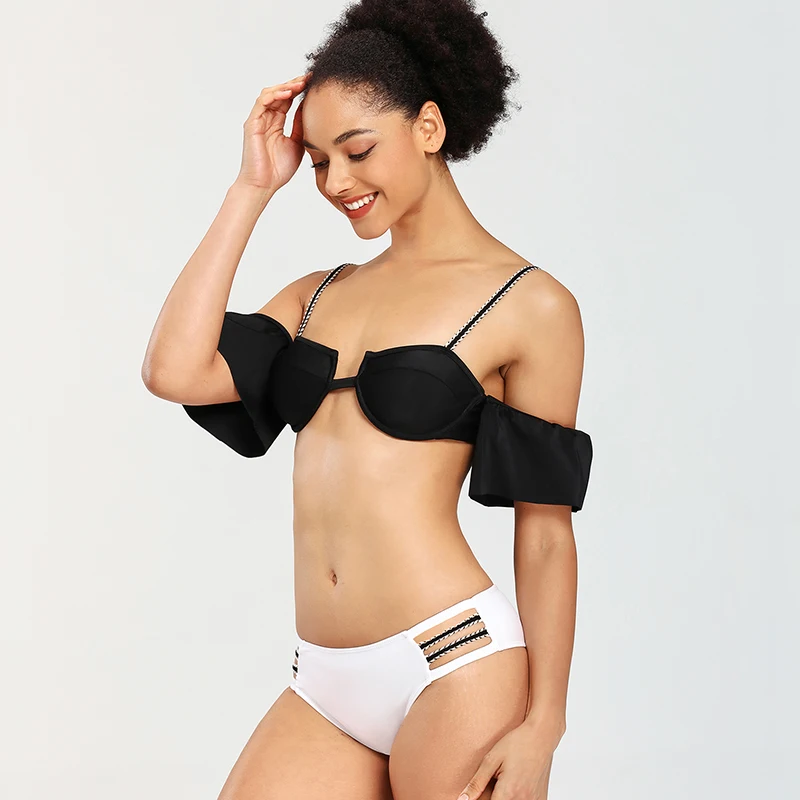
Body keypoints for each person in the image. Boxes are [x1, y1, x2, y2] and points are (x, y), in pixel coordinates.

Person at [142, 1, 593, 798]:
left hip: (455, 663)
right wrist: (252, 187)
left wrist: (544, 725)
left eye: (357, 151)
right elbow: (174, 369)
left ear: (428, 127)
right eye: (318, 162)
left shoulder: (530, 304)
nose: (336, 182)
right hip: (323, 682)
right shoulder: (319, 295)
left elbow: (546, 534)